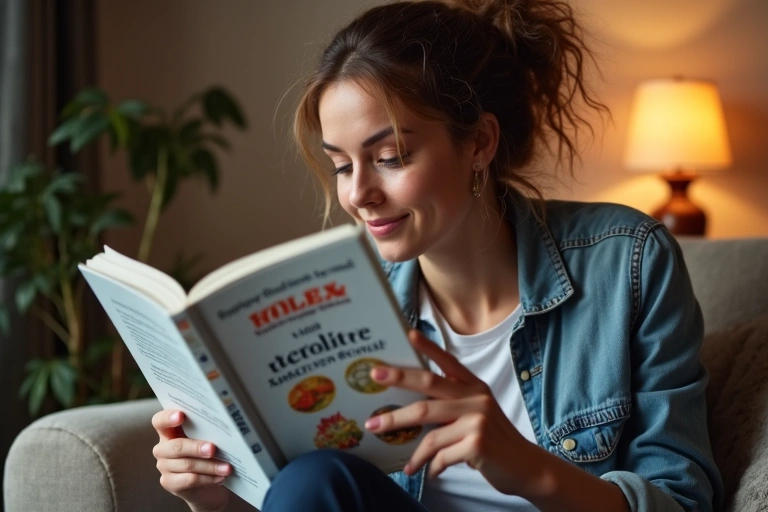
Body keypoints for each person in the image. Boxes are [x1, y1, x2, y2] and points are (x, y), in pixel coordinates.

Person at [151, 0, 724, 511]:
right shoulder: (342, 298)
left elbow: (682, 499)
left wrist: (529, 469)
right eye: (342, 165)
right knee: (313, 478)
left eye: (391, 156)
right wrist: (214, 498)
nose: (357, 195)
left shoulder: (627, 260)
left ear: (479, 142)